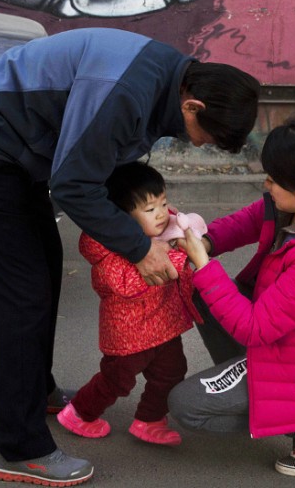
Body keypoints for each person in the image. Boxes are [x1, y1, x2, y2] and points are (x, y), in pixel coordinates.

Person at [0, 27, 260, 486]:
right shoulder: (126, 91)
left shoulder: (170, 76)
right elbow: (71, 183)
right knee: (22, 299)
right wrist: (138, 248)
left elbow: (98, 164)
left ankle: (37, 391)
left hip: (23, 154)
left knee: (43, 275)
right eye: (203, 136)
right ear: (193, 106)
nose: (199, 144)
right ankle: (16, 447)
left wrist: (157, 220)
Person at [169, 117, 295, 478]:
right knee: (201, 289)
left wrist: (203, 265)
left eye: (273, 180)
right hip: (289, 340)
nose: (266, 184)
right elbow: (249, 220)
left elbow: (252, 328)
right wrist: (206, 242)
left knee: (185, 406)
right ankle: (260, 387)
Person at [57, 162, 204, 446]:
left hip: (164, 326)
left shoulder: (165, 234)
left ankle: (149, 420)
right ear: (123, 218)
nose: (161, 213)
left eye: (163, 202)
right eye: (150, 209)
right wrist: (176, 258)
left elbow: (179, 275)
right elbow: (128, 284)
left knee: (172, 372)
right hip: (129, 335)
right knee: (117, 380)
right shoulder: (109, 251)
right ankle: (79, 413)